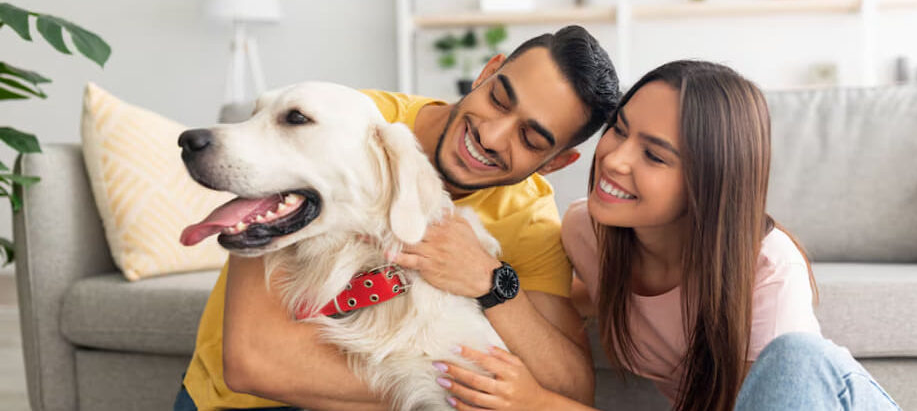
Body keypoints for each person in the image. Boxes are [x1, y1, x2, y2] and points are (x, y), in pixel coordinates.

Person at [173, 25, 621, 410]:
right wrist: (453, 392)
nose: (490, 134)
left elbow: (569, 389)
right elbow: (254, 362)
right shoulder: (338, 121)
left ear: (554, 164)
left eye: (531, 138)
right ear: (487, 72)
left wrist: (490, 279)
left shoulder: (528, 216)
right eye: (500, 99)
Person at [433, 61, 901, 411]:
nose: (614, 160)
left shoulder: (767, 268)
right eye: (619, 130)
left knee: (797, 357)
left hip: (826, 396)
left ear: (707, 182)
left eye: (654, 156)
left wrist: (541, 403)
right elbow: (549, 306)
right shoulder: (589, 234)